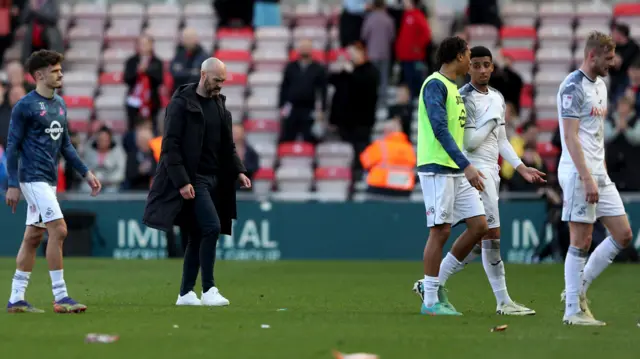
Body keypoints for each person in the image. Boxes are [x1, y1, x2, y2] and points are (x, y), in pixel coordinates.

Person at [413, 46, 544, 315]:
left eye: (487, 64)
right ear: (468, 66)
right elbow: (469, 141)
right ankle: (502, 301)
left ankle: (433, 284)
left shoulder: (497, 96)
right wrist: (492, 121)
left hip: (490, 172)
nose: (482, 69)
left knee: (482, 231)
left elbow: (502, 139)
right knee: (488, 235)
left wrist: (519, 167)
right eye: (476, 64)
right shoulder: (463, 97)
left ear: (493, 66)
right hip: (473, 171)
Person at [142, 58, 251, 306]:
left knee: (196, 234)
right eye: (217, 80)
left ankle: (185, 293)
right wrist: (182, 181)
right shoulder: (180, 105)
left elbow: (228, 146)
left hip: (216, 180)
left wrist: (238, 171)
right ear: (203, 75)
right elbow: (170, 148)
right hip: (194, 180)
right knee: (211, 227)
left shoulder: (221, 107)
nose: (220, 86)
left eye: (223, 81)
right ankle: (209, 289)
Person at [4, 50, 102, 313]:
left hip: (48, 180)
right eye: (55, 70)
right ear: (39, 75)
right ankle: (61, 296)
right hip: (31, 177)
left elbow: (66, 145)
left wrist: (85, 172)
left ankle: (16, 298)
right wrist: (13, 184)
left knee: (33, 237)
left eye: (60, 69)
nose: (60, 73)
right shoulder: (24, 106)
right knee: (58, 230)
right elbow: (12, 146)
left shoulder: (60, 104)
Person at [556, 31, 633, 326]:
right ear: (592, 55)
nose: (612, 63)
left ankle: (577, 291)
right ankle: (572, 311)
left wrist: (599, 172)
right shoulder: (572, 87)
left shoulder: (601, 84)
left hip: (599, 172)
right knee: (582, 238)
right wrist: (587, 177)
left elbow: (594, 135)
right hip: (578, 172)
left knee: (623, 234)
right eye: (608, 58)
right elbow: (571, 137)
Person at [414, 36, 488, 316]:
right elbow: (439, 129)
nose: (471, 60)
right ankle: (431, 302)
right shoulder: (435, 85)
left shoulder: (452, 88)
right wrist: (466, 164)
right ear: (458, 57)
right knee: (440, 230)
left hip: (455, 168)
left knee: (479, 225)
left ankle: (432, 284)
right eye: (469, 55)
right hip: (437, 167)